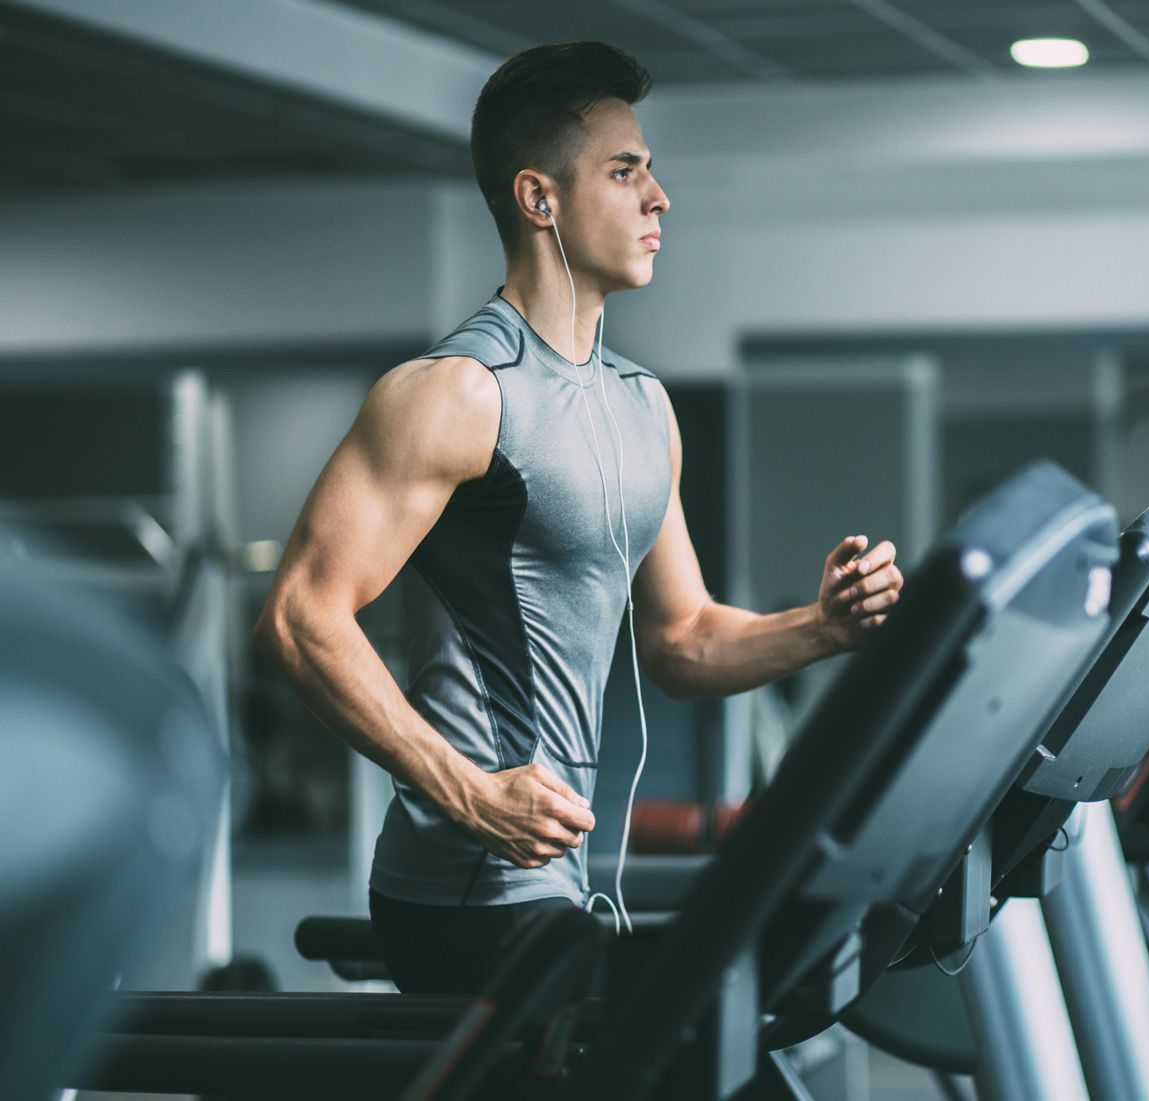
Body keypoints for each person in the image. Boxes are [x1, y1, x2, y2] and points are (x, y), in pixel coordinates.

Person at [252, 41, 904, 995]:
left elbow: (680, 640)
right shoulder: (457, 394)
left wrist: (824, 627)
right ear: (539, 198)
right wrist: (471, 793)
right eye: (624, 170)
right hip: (465, 886)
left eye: (650, 169)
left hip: (557, 878)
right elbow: (299, 616)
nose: (659, 198)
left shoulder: (645, 406)